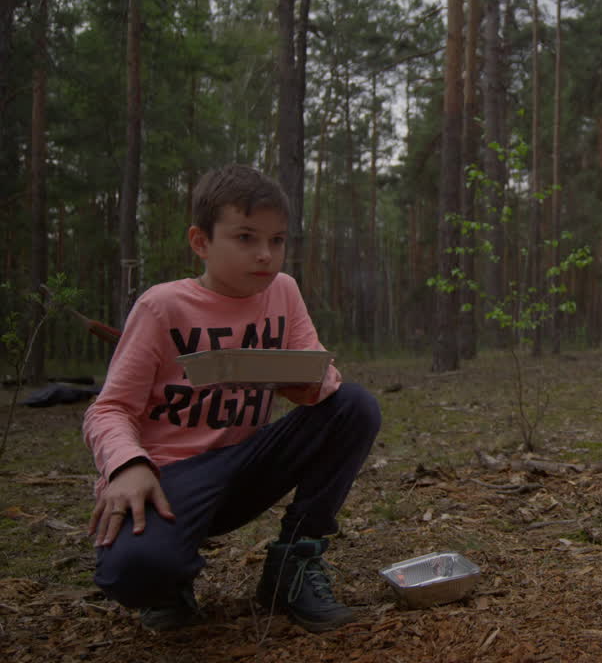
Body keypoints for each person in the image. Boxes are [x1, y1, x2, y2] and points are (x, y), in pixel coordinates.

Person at [82, 164, 381, 633]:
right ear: (201, 242)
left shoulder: (283, 291)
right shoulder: (162, 307)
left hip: (245, 464)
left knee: (353, 406)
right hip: (168, 477)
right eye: (245, 238)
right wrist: (127, 465)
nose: (265, 254)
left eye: (277, 240)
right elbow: (110, 408)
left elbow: (318, 374)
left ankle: (294, 560)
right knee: (134, 572)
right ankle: (168, 578)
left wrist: (308, 380)